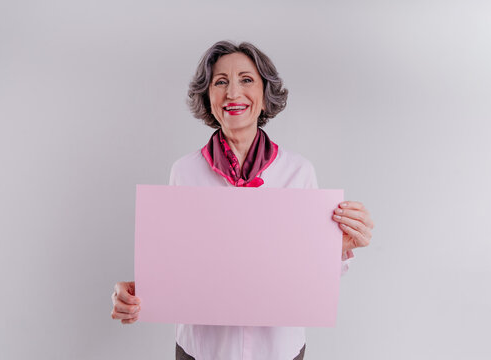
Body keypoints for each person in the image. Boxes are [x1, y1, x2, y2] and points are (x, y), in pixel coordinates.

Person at [111, 40, 374, 360]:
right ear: (208, 98)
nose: (233, 92)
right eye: (220, 82)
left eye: (246, 80)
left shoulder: (299, 171)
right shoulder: (184, 172)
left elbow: (309, 276)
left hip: (278, 350)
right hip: (202, 349)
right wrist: (139, 293)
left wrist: (340, 246)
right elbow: (179, 263)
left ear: (266, 97)